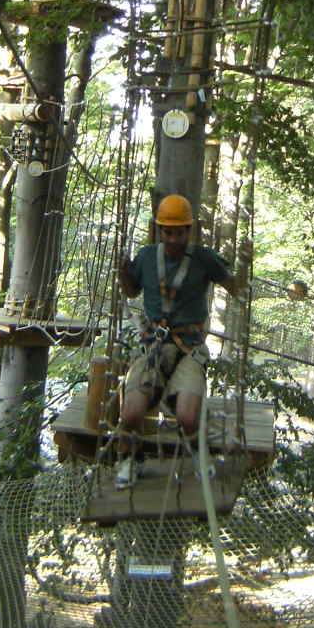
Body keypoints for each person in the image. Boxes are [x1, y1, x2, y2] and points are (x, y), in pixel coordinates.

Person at [114, 193, 241, 489]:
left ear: (189, 231)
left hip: (189, 349)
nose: (173, 239)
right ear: (160, 231)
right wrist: (123, 273)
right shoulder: (147, 257)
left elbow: (235, 288)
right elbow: (132, 291)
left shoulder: (203, 259)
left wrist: (244, 265)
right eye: (168, 232)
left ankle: (197, 451)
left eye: (179, 232)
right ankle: (130, 459)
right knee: (130, 412)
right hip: (154, 347)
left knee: (187, 416)